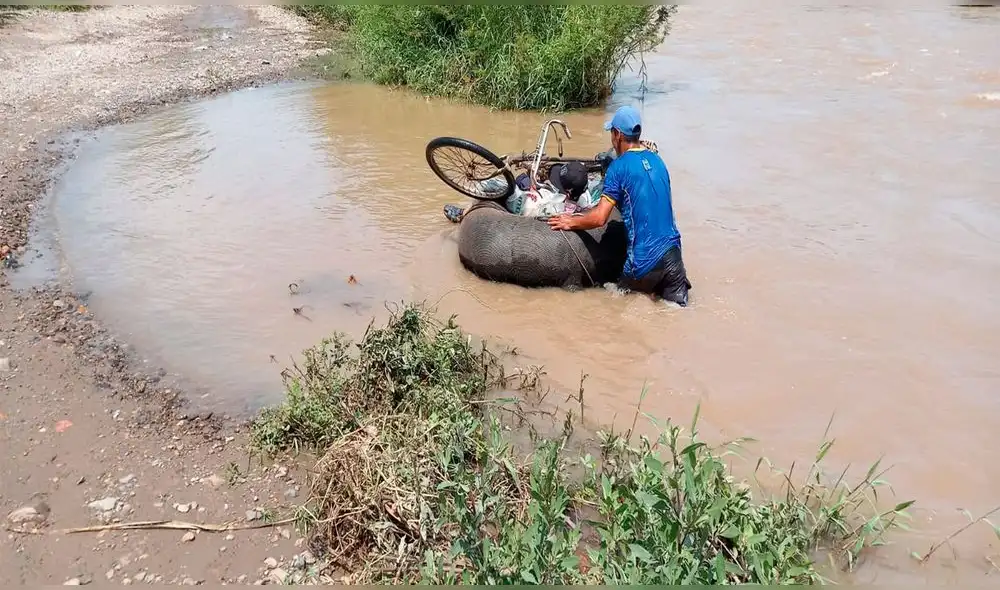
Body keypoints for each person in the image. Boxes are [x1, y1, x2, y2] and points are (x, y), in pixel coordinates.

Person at [546, 105, 692, 306]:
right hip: (674, 259)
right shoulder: (658, 161)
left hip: (643, 263)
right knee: (675, 315)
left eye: (611, 133)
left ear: (618, 135)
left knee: (614, 306)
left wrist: (571, 221)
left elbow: (599, 218)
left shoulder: (618, 167)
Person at [443, 161, 593, 223]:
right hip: (542, 202)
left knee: (490, 184)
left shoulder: (554, 206)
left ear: (566, 193)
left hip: (526, 207)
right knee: (524, 180)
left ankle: (463, 215)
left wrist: (534, 189)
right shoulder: (585, 199)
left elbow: (537, 206)